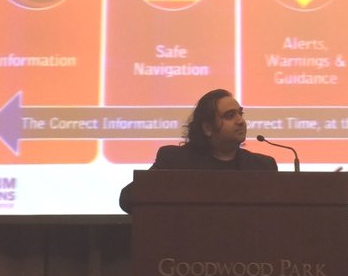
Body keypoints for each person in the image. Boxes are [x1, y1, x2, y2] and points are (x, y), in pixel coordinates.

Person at [119, 89, 278, 213]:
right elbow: (128, 198)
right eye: (229, 116)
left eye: (240, 113)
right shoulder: (176, 161)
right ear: (208, 128)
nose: (240, 121)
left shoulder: (262, 166)